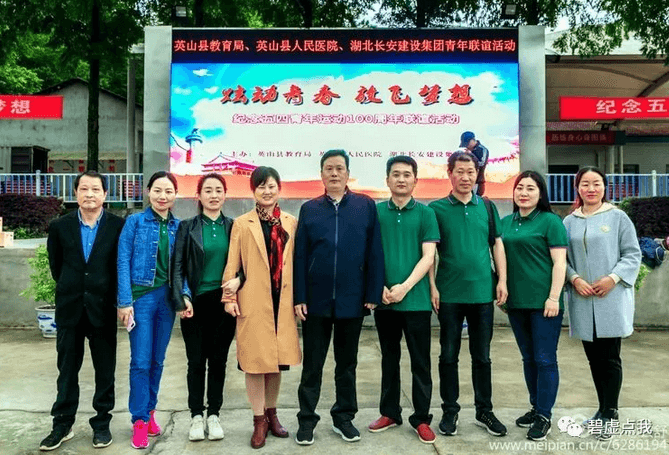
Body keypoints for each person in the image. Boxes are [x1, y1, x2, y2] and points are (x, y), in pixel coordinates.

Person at [294, 149, 385, 445]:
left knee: (347, 365)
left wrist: (372, 292)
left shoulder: (364, 206)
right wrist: (299, 297)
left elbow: (374, 251)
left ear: (348, 174)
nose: (334, 173)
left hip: (352, 299)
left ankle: (343, 417)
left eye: (339, 168)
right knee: (313, 365)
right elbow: (300, 256)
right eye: (329, 168)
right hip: (316, 302)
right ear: (321, 174)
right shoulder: (309, 209)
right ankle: (307, 420)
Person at [40, 171, 125, 451]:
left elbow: (119, 266)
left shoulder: (117, 226)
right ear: (75, 193)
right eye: (84, 189)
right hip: (70, 309)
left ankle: (101, 423)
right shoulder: (60, 226)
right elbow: (57, 267)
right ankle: (62, 424)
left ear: (105, 194)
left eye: (96, 189)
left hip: (102, 308)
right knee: (66, 370)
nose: (90, 194)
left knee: (105, 371)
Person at [428, 151, 508, 438]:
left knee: (482, 356)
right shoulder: (436, 209)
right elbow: (429, 252)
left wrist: (503, 281)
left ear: (477, 174)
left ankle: (484, 410)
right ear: (449, 173)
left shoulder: (486, 206)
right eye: (459, 171)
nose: (465, 177)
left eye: (470, 172)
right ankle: (450, 411)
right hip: (449, 294)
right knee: (448, 355)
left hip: (482, 293)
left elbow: (497, 244)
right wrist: (433, 286)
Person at [221, 166, 301, 449]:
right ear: (253, 190)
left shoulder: (291, 222)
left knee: (276, 362)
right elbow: (233, 263)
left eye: (271, 186)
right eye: (261, 186)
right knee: (255, 364)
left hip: (283, 301)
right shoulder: (242, 224)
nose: (267, 191)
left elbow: (297, 264)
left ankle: (272, 414)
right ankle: (258, 421)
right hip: (253, 299)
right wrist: (229, 298)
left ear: (279, 188)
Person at [563, 167, 641, 441]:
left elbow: (632, 254)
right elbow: (562, 259)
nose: (591, 189)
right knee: (594, 359)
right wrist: (574, 279)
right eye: (585, 184)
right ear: (577, 188)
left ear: (605, 187)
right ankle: (602, 409)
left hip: (610, 298)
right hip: (583, 299)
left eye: (596, 183)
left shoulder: (618, 217)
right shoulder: (569, 221)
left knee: (609, 358)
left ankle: (611, 412)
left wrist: (612, 278)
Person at [368, 156, 440, 444]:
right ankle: (389, 412)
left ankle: (421, 418)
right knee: (389, 359)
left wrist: (405, 288)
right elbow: (368, 254)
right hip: (385, 300)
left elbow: (428, 256)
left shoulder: (426, 214)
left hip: (417, 302)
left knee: (420, 362)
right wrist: (380, 287)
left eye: (407, 174)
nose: (401, 179)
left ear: (415, 180)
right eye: (395, 174)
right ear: (387, 180)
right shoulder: (375, 212)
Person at [499, 171, 568, 441]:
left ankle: (544, 415)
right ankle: (535, 406)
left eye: (530, 188)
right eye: (520, 188)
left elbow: (560, 263)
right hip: (516, 303)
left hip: (544, 304)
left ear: (540, 194)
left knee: (545, 359)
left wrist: (553, 297)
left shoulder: (551, 221)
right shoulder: (506, 223)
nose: (524, 193)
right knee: (528, 358)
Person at [117, 171, 181, 450]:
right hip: (141, 299)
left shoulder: (179, 226)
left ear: (175, 195)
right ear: (148, 192)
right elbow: (122, 260)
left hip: (167, 300)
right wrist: (124, 301)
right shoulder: (135, 222)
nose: (162, 196)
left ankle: (151, 411)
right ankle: (140, 420)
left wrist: (184, 297)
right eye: (157, 190)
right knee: (141, 361)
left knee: (157, 360)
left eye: (168, 191)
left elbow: (182, 267)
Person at [171, 173, 237, 441]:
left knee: (219, 362)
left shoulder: (234, 227)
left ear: (225, 195)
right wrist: (182, 298)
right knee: (196, 362)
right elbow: (177, 267)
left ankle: (214, 415)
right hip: (195, 303)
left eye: (218, 190)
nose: (213, 195)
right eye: (208, 190)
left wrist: (238, 281)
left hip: (225, 303)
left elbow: (245, 265)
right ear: (198, 195)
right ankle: (196, 416)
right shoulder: (187, 227)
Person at [459, 131, 489, 196]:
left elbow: (482, 164)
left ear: (472, 140)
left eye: (467, 144)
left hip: (477, 182)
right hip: (467, 181)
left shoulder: (483, 150)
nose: (466, 147)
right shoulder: (469, 151)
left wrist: (471, 155)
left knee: (474, 199)